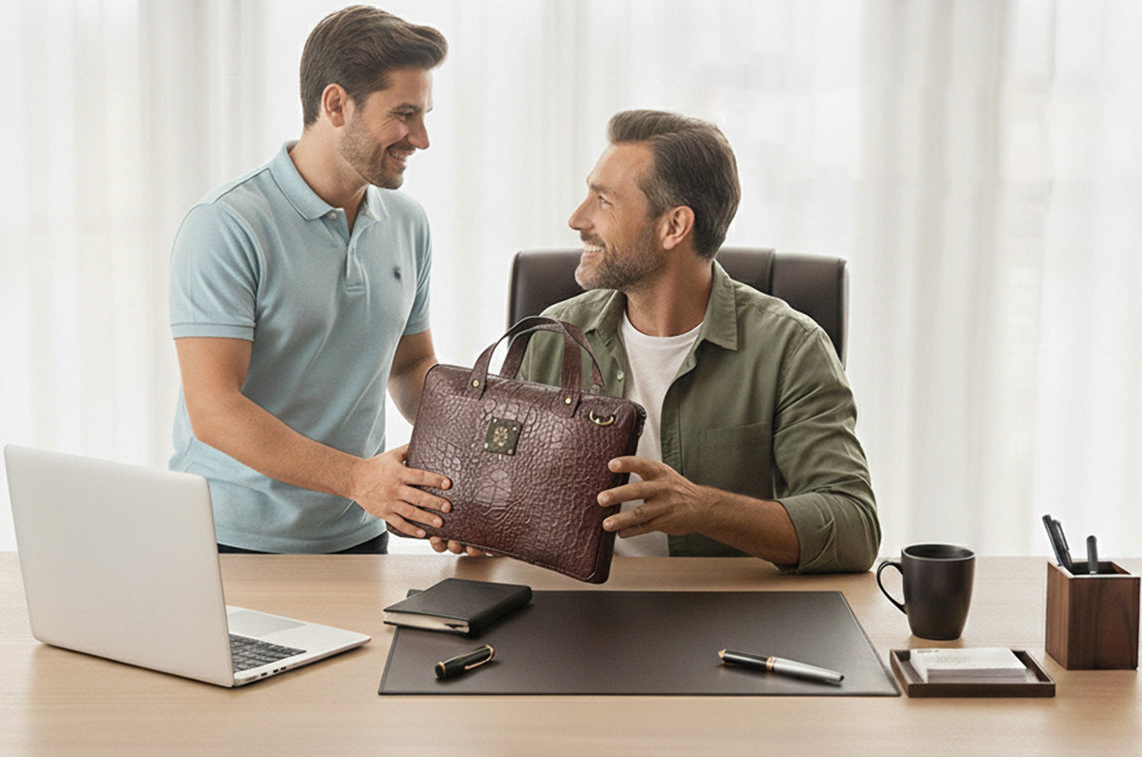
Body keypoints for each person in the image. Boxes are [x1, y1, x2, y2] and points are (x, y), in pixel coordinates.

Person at [434, 110, 880, 573]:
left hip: (723, 615)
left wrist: (701, 508)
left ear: (674, 227)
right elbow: (505, 494)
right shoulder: (553, 335)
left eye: (604, 201)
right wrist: (473, 518)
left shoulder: (791, 348)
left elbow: (854, 528)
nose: (576, 219)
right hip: (572, 604)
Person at [168, 5, 453, 554]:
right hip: (229, 541)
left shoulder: (408, 223)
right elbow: (214, 410)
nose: (420, 138)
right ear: (336, 104)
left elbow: (411, 365)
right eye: (404, 114)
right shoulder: (227, 224)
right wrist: (359, 479)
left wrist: (473, 463)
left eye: (425, 114)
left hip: (358, 534)